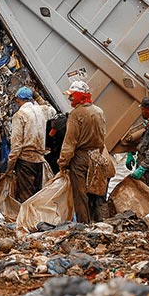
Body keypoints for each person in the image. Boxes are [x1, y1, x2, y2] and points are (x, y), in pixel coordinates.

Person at [56, 80, 110, 223]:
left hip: (80, 159)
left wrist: (62, 163)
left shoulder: (76, 114)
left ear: (79, 96)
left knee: (80, 194)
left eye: (72, 96)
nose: (70, 99)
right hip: (96, 156)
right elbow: (103, 136)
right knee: (95, 191)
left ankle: (84, 225)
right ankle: (98, 222)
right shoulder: (99, 111)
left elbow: (69, 143)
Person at [6, 86, 48, 202]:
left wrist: (10, 166)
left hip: (25, 161)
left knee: (27, 196)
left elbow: (17, 144)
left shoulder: (19, 115)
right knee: (38, 193)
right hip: (39, 159)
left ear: (19, 100)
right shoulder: (42, 110)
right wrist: (38, 97)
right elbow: (51, 110)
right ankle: (38, 218)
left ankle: (29, 219)